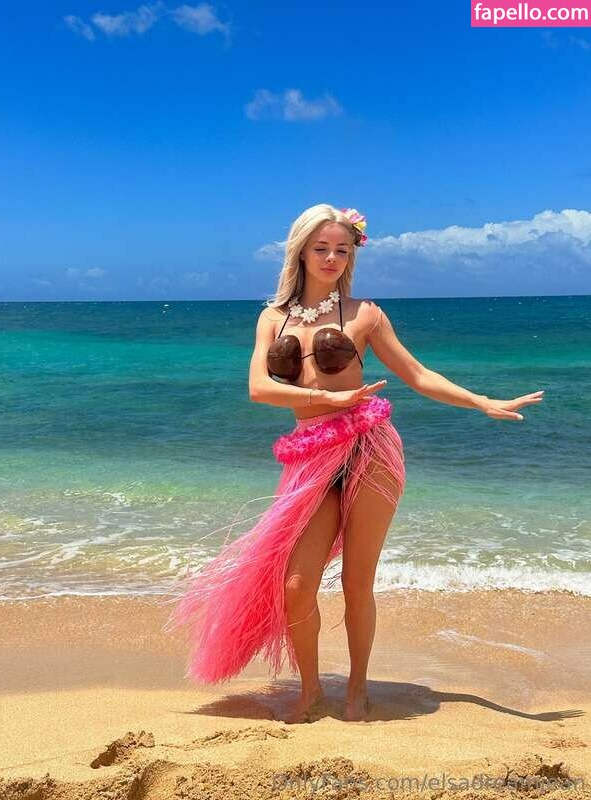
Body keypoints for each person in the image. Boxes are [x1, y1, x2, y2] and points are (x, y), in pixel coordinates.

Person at [161, 203, 544, 724]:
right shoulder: (272, 319)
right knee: (297, 586)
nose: (332, 258)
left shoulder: (365, 314)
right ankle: (311, 690)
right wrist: (329, 401)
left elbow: (417, 374)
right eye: (321, 248)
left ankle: (357, 689)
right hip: (310, 455)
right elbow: (258, 388)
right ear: (300, 251)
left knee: (356, 582)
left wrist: (481, 402)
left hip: (369, 448)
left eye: (342, 249)